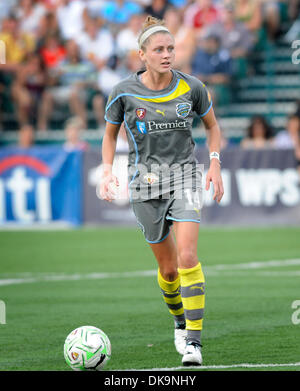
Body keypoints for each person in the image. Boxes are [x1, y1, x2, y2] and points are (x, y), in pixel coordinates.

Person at [99, 15, 224, 366]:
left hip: (184, 176)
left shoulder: (192, 87)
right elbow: (109, 136)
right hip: (144, 184)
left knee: (187, 257)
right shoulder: (122, 92)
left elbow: (213, 127)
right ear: (143, 54)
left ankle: (195, 344)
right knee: (169, 271)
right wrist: (107, 171)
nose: (167, 54)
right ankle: (179, 322)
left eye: (171, 48)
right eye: (159, 49)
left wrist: (214, 163)